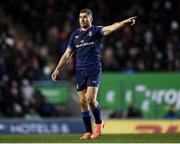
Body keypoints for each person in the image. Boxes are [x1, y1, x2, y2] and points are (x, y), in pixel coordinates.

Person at [51, 8, 137, 139]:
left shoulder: (96, 31)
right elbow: (67, 54)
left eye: (85, 17)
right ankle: (88, 131)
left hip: (94, 68)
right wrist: (57, 69)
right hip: (80, 70)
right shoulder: (75, 35)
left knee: (90, 99)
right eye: (80, 17)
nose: (82, 19)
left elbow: (112, 28)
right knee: (82, 102)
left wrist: (124, 22)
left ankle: (98, 122)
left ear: (91, 19)